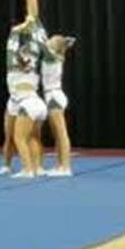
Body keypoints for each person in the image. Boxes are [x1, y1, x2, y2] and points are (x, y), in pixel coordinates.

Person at [5, 19, 49, 177]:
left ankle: (27, 169)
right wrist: (33, 26)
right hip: (38, 103)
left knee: (19, 138)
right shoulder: (34, 62)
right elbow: (38, 44)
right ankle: (38, 167)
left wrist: (19, 28)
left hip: (27, 104)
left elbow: (11, 44)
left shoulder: (12, 64)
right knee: (33, 138)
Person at [42, 34, 76, 176]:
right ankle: (59, 166)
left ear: (54, 45)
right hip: (52, 95)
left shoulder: (52, 56)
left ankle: (66, 168)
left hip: (54, 96)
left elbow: (42, 45)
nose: (48, 41)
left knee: (62, 134)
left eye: (51, 40)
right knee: (57, 135)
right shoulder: (54, 55)